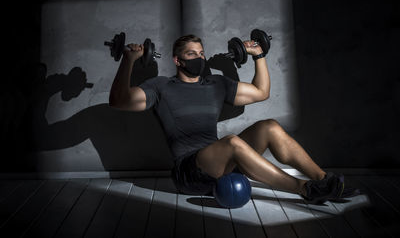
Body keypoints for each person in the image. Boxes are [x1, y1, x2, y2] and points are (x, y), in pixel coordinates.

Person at [109, 34, 357, 204]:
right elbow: (119, 101)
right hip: (190, 172)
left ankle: (325, 182)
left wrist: (258, 54)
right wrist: (128, 60)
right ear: (177, 60)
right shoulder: (160, 87)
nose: (199, 58)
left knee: (269, 126)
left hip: (222, 163)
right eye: (192, 54)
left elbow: (261, 92)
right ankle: (303, 189)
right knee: (230, 142)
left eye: (201, 53)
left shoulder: (216, 84)